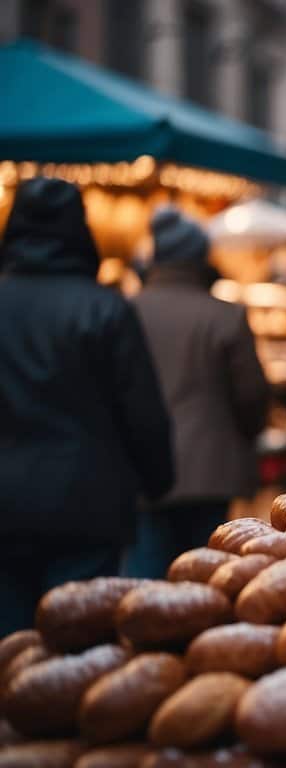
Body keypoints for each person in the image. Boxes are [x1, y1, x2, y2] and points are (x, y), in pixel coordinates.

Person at [0, 178, 173, 632]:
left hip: (7, 503)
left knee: (10, 643)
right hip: (86, 503)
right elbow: (140, 410)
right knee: (76, 643)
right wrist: (157, 482)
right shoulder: (105, 308)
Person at [125, 208, 270, 578]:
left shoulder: (126, 312)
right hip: (211, 467)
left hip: (140, 466)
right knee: (204, 582)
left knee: (147, 584)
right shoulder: (225, 317)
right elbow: (251, 396)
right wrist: (248, 435)